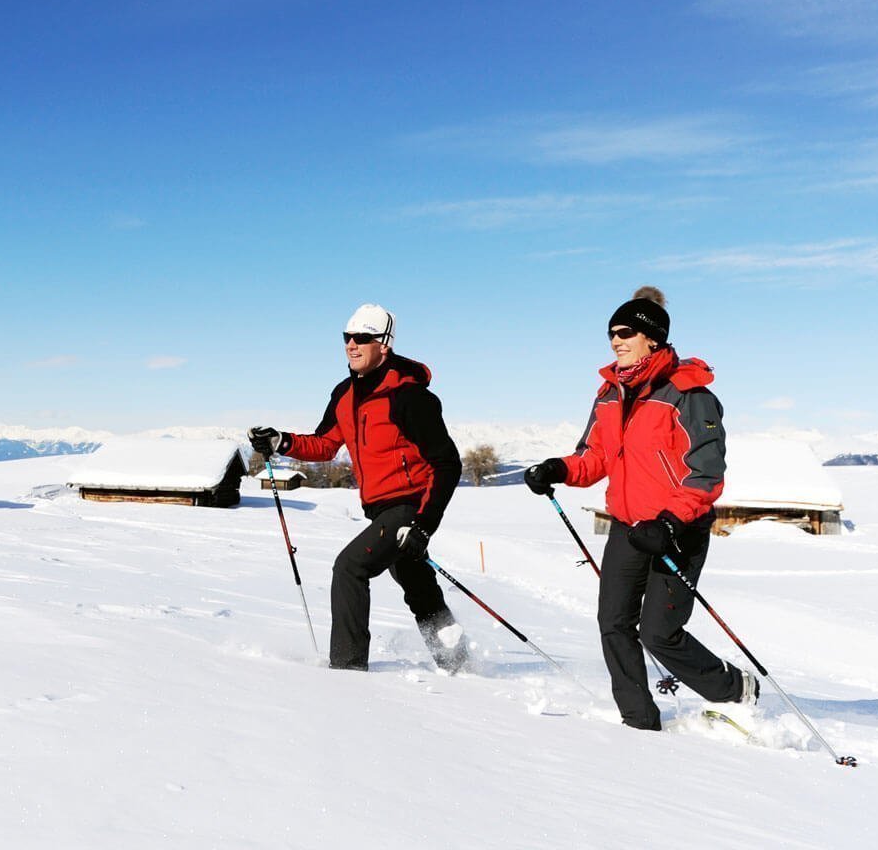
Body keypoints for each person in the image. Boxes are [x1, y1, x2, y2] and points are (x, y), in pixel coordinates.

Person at [522, 287, 756, 730]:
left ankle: (733, 690)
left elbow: (705, 473)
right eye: (611, 333)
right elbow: (595, 458)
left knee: (659, 634)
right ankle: (638, 721)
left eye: (625, 332)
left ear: (653, 337)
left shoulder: (689, 394)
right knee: (613, 623)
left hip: (677, 530)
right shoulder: (610, 394)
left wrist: (669, 520)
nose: (615, 340)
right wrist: (557, 468)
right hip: (628, 529)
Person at [249, 303, 467, 673]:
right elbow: (325, 444)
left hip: (409, 505)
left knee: (350, 568)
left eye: (362, 338)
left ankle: (348, 670)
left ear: (384, 344)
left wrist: (423, 525)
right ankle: (460, 663)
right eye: (347, 337)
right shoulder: (345, 394)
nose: (352, 344)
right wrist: (281, 442)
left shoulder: (408, 396)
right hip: (380, 509)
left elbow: (448, 464)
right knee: (419, 589)